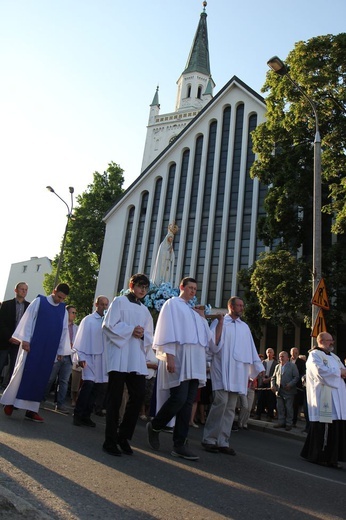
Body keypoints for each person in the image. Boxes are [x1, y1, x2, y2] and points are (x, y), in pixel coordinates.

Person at [146, 277, 221, 461]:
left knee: (187, 403)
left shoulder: (195, 312)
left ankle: (180, 444)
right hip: (180, 359)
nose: (193, 291)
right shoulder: (172, 304)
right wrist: (169, 355)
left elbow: (208, 340)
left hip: (196, 362)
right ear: (182, 287)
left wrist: (207, 319)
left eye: (195, 289)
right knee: (178, 398)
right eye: (190, 288)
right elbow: (167, 329)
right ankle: (155, 425)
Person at [202, 296, 264, 454]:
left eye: (243, 305)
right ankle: (209, 439)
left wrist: (257, 366)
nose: (242, 308)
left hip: (237, 371)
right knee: (220, 403)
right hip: (222, 368)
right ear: (231, 306)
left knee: (230, 408)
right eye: (239, 305)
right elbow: (212, 342)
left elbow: (250, 348)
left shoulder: (244, 327)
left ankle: (223, 441)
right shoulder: (220, 321)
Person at [1, 283, 70, 422]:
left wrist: (61, 350)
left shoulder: (63, 310)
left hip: (49, 349)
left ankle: (31, 411)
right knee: (23, 373)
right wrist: (25, 340)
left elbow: (63, 331)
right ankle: (10, 402)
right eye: (58, 296)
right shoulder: (39, 301)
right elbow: (27, 320)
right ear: (54, 291)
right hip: (32, 345)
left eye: (63, 298)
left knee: (41, 378)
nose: (60, 300)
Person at [102, 274, 153, 456]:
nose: (143, 290)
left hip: (135, 358)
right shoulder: (119, 302)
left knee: (138, 396)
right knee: (115, 399)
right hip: (119, 355)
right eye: (140, 286)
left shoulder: (145, 311)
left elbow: (150, 335)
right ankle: (109, 441)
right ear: (131, 285)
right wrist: (131, 330)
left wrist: (143, 334)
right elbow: (108, 325)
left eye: (146, 288)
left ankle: (123, 436)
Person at [300, 332, 346, 469]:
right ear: (321, 341)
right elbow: (320, 372)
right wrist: (339, 373)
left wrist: (341, 372)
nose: (332, 342)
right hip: (324, 398)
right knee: (323, 427)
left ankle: (332, 458)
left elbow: (343, 370)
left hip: (338, 399)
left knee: (335, 429)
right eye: (329, 340)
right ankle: (319, 456)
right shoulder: (314, 356)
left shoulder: (334, 357)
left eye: (332, 340)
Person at [72, 296, 109, 427]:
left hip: (102, 359)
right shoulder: (88, 320)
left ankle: (86, 415)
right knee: (87, 386)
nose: (104, 307)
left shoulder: (108, 321)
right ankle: (77, 414)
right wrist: (80, 357)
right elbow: (80, 339)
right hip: (88, 357)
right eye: (102, 304)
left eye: (106, 305)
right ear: (96, 304)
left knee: (96, 389)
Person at [44, 305, 78, 414]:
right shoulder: (59, 325)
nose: (74, 315)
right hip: (58, 355)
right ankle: (41, 399)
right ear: (67, 313)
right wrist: (60, 350)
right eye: (72, 312)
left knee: (64, 381)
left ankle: (60, 404)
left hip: (69, 357)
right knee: (50, 378)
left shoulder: (76, 328)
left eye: (75, 313)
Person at [0, 282, 30, 388]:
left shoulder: (29, 307)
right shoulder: (6, 304)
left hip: (19, 344)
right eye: (22, 289)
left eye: (26, 289)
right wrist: (10, 337)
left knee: (14, 369)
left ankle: (7, 391)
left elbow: (28, 326)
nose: (24, 291)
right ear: (16, 290)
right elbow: (1, 323)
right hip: (4, 341)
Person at [271, 351, 299, 431]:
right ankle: (281, 422)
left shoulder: (293, 366)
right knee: (280, 408)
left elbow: (296, 377)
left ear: (287, 357)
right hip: (279, 391)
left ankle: (289, 424)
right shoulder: (277, 366)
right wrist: (272, 385)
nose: (281, 358)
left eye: (283, 356)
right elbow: (273, 377)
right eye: (280, 356)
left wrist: (290, 384)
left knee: (289, 408)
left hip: (289, 391)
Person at [255, 347, 278, 421]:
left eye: (270, 352)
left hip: (270, 382)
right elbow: (260, 372)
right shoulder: (263, 362)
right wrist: (263, 378)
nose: (269, 354)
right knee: (260, 399)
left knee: (270, 400)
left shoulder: (275, 363)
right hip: (263, 382)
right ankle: (258, 414)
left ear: (273, 353)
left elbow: (276, 374)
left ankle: (269, 416)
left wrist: (269, 379)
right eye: (268, 352)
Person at [290, 347, 306, 428]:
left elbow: (303, 373)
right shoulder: (287, 361)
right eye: (293, 352)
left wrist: (295, 380)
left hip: (297, 386)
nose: (295, 354)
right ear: (291, 353)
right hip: (286, 386)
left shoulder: (301, 362)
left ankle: (294, 421)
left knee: (295, 404)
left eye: (296, 352)